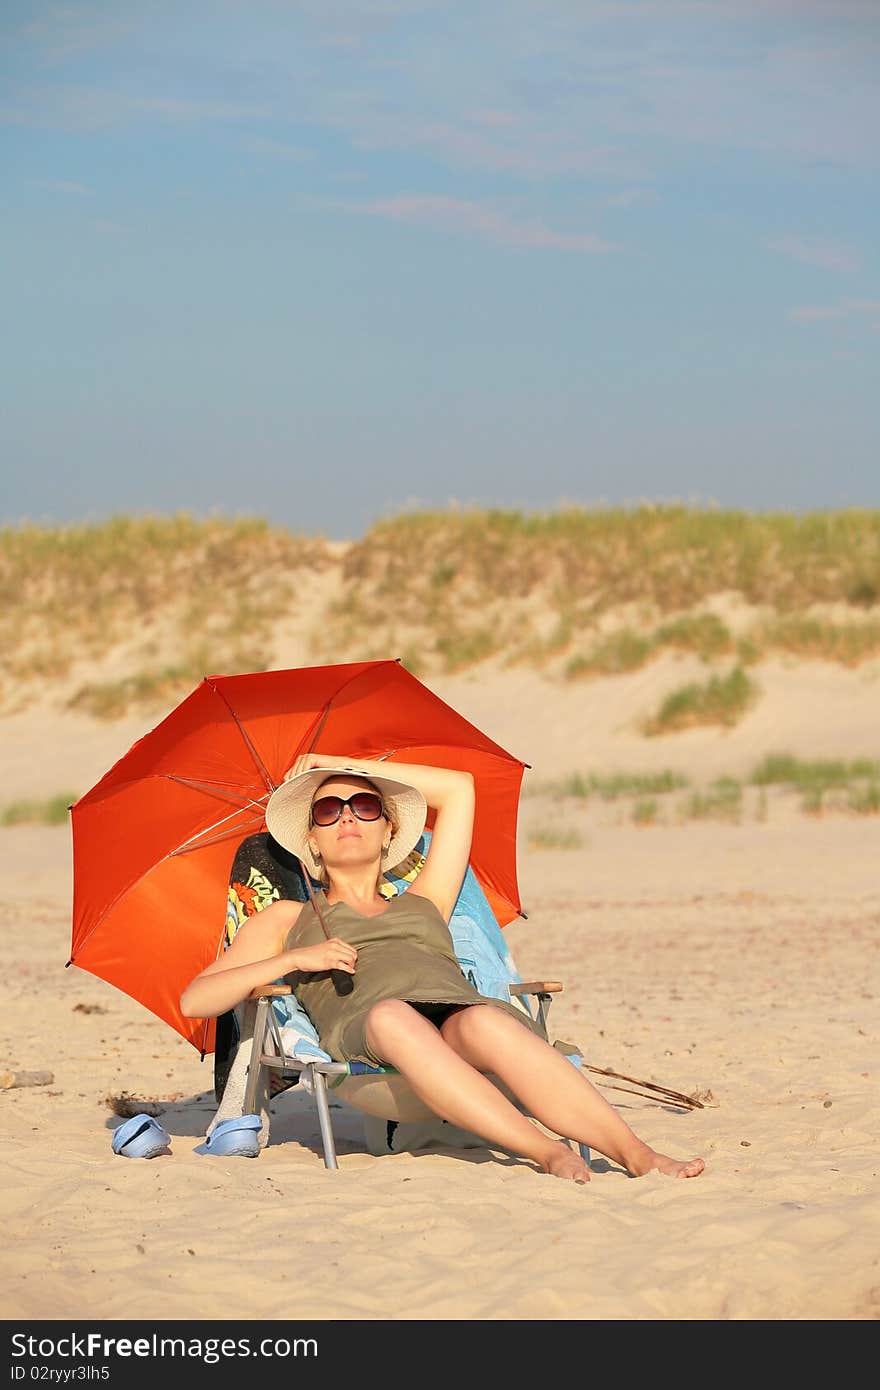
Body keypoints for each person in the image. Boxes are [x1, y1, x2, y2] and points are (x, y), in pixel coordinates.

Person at [180, 753, 705, 1184]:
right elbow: (195, 1000)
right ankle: (544, 1150)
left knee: (484, 1020)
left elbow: (459, 791)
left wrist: (332, 764)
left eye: (364, 805)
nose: (346, 817)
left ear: (389, 832)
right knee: (392, 1016)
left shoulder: (426, 898)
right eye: (326, 810)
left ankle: (637, 1153)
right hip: (375, 1050)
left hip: (458, 1028)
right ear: (310, 842)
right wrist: (295, 958)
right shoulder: (288, 917)